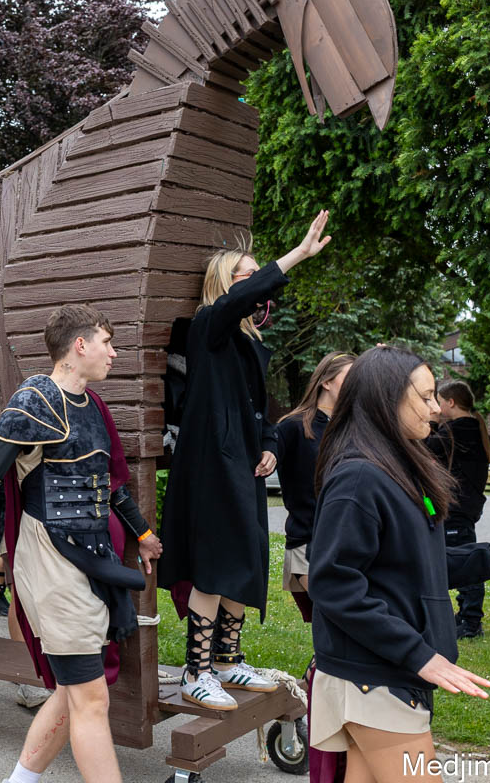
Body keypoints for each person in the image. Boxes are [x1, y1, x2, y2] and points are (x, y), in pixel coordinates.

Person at [307, 345, 490, 782]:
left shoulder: (398, 467)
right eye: (424, 397)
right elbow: (333, 584)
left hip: (388, 674)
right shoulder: (359, 477)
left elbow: (421, 563)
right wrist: (420, 655)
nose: (436, 408)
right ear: (387, 400)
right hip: (372, 679)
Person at [0, 304, 163, 783]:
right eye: (107, 343)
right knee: (91, 699)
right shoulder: (35, 400)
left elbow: (108, 484)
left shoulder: (93, 406)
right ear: (80, 345)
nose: (113, 353)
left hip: (90, 561)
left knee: (75, 694)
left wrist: (143, 533)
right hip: (50, 561)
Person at [160, 211, 332, 711]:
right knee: (214, 565)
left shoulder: (247, 344)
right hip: (211, 467)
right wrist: (296, 255)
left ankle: (227, 660)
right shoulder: (207, 326)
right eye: (250, 275)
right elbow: (238, 301)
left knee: (245, 561)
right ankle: (197, 671)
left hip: (243, 468)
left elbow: (260, 412)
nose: (260, 286)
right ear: (227, 283)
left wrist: (270, 445)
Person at [275, 351, 355, 621]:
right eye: (349, 377)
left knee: (340, 625)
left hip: (349, 542)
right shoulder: (293, 426)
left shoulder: (355, 427)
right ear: (326, 381)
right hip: (307, 540)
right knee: (335, 617)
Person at [426, 380, 490, 640]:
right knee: (461, 555)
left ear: (451, 402)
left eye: (439, 401)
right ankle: (465, 613)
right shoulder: (472, 428)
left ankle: (471, 620)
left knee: (466, 560)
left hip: (457, 507)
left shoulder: (458, 431)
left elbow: (424, 448)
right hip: (462, 507)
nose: (436, 407)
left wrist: (431, 423)